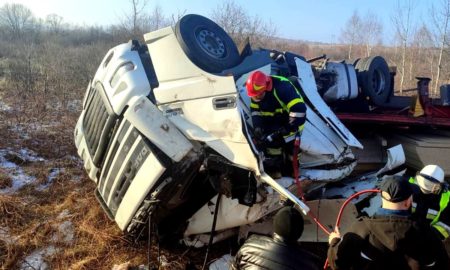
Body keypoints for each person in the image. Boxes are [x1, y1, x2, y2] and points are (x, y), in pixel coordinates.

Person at [327, 175, 448, 270]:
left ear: (382, 198)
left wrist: (334, 241)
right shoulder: (427, 234)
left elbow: (337, 264)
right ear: (408, 202)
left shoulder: (360, 229)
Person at [246, 70, 306, 178]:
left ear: (266, 88)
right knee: (272, 148)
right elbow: (255, 110)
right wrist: (257, 126)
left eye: (259, 96)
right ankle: (275, 173)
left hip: (291, 123)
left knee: (291, 150)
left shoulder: (283, 88)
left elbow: (299, 110)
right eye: (254, 97)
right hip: (273, 122)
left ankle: (293, 172)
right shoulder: (256, 91)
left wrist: (286, 129)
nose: (256, 99)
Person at [232, 206, 320, 270]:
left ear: (275, 225)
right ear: (300, 232)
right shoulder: (311, 264)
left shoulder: (249, 245)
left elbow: (234, 267)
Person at [409, 165, 450, 256]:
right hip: (404, 230)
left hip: (428, 236)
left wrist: (430, 237)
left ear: (440, 185)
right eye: (423, 182)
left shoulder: (446, 198)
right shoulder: (406, 186)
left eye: (430, 185)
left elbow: (446, 224)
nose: (424, 187)